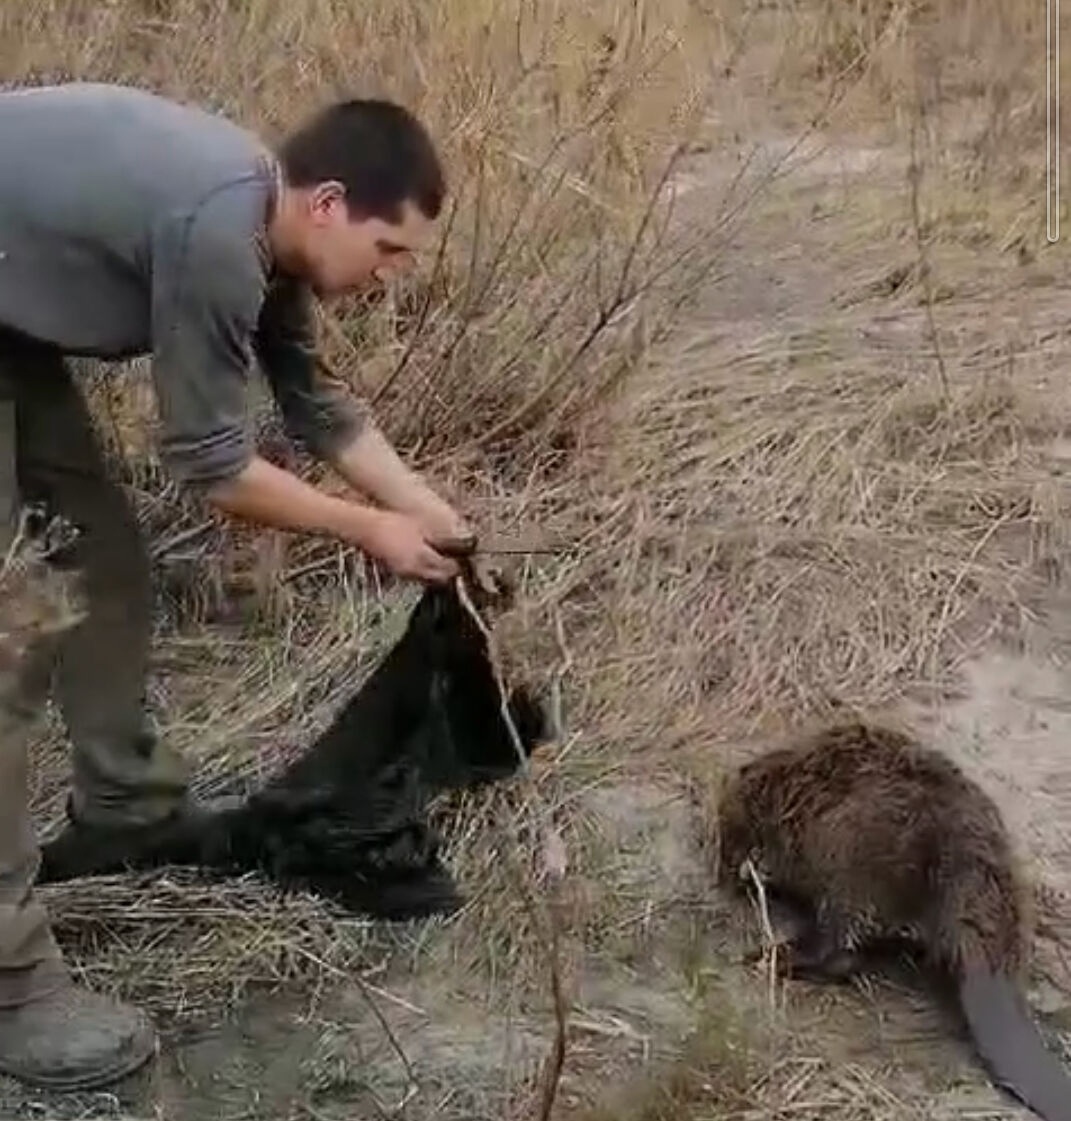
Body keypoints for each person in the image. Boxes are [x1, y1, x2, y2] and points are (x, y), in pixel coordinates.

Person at [0, 81, 477, 1091]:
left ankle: (125, 802)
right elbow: (213, 468)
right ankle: (11, 982)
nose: (392, 278)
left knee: (100, 557)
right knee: (9, 628)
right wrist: (369, 530)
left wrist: (426, 510)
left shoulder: (266, 222)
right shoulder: (219, 229)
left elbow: (312, 399)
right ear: (331, 203)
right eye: (391, 250)